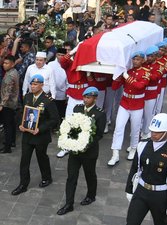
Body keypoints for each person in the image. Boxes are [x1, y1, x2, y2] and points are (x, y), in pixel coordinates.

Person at [57, 86, 106, 215]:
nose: (85, 99)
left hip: (89, 152)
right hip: (75, 151)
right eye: (84, 97)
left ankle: (91, 195)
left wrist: (86, 143)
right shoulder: (77, 108)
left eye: (88, 97)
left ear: (95, 98)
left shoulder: (100, 113)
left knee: (89, 174)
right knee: (71, 176)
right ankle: (69, 204)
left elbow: (99, 134)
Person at [11, 74, 59, 196]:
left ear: (42, 85)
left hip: (40, 136)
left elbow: (54, 119)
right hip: (27, 135)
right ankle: (23, 184)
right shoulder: (27, 97)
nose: (33, 86)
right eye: (32, 84)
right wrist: (21, 125)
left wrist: (40, 129)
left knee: (41, 157)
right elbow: (23, 112)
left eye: (36, 84)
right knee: (24, 160)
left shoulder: (48, 100)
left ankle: (46, 177)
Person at [107, 51, 150, 166]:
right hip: (125, 103)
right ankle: (115, 153)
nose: (135, 61)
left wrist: (126, 76)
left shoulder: (146, 73)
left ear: (142, 60)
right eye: (134, 59)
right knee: (118, 128)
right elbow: (114, 87)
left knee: (135, 129)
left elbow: (140, 86)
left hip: (137, 104)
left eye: (138, 59)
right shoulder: (129, 71)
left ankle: (133, 148)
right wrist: (117, 76)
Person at [0, 55, 19, 154]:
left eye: (6, 63)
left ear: (12, 64)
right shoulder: (14, 71)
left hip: (8, 104)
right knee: (11, 123)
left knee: (7, 125)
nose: (4, 65)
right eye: (4, 63)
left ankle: (7, 147)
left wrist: (1, 104)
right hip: (13, 103)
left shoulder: (10, 76)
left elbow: (7, 92)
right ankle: (12, 142)